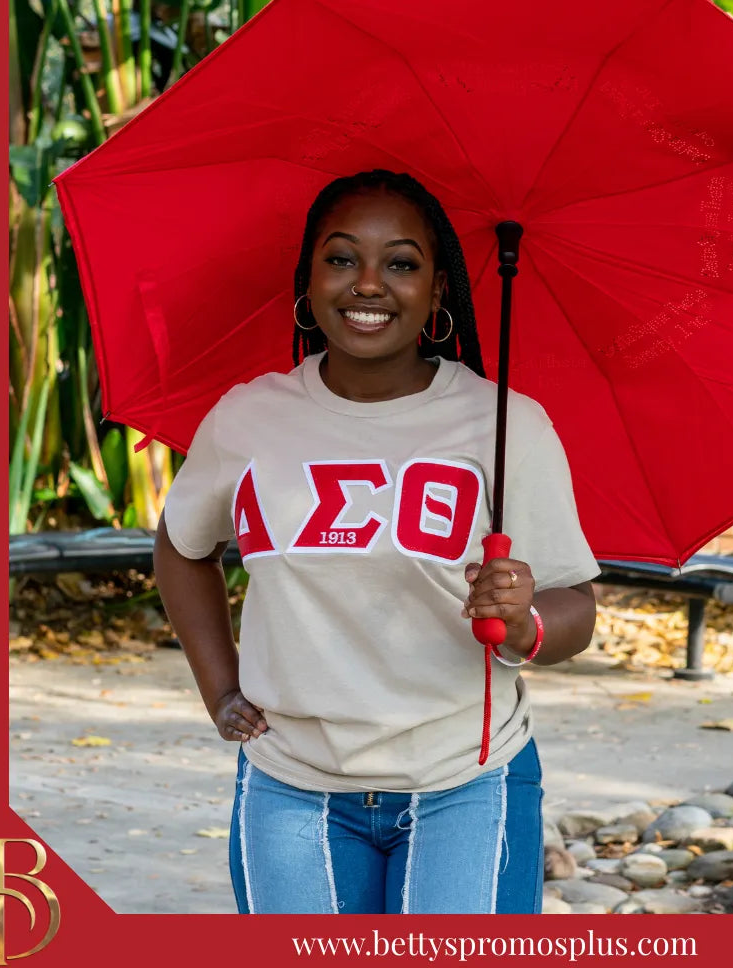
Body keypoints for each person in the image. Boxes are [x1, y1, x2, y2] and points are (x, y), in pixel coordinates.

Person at [153, 169, 599, 915]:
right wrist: (220, 688)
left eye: (400, 263)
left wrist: (525, 621)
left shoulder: (504, 425)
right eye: (340, 259)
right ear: (308, 279)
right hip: (289, 786)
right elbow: (181, 545)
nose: (368, 284)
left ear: (438, 291)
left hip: (466, 778)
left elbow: (577, 611)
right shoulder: (247, 420)